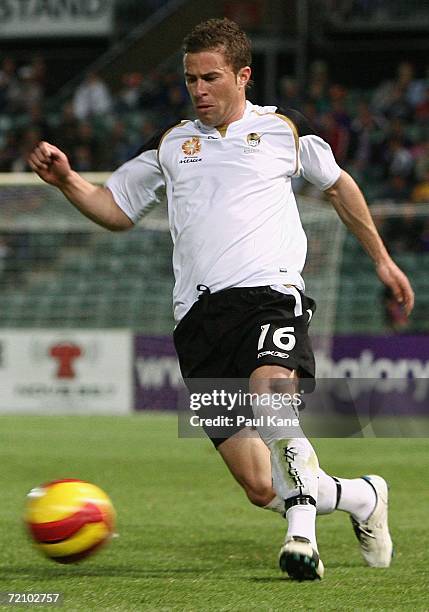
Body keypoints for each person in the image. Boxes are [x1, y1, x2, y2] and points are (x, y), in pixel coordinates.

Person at [28, 18, 414, 581]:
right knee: (261, 485)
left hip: (270, 295)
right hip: (198, 321)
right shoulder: (169, 144)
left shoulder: (285, 128)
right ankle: (361, 497)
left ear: (243, 75)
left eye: (211, 78)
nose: (199, 90)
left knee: (269, 392)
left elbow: (339, 185)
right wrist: (68, 182)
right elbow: (115, 208)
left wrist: (381, 258)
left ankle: (301, 536)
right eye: (191, 80)